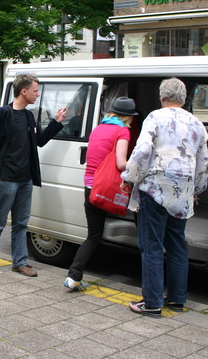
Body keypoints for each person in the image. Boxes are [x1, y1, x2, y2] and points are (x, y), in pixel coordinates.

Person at [121, 78, 208, 317]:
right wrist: (197, 190)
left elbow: (142, 152)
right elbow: (203, 163)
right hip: (183, 193)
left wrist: (129, 176)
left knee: (152, 246)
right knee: (177, 245)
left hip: (155, 189)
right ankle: (177, 299)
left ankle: (151, 303)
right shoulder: (197, 123)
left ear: (162, 97)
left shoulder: (155, 117)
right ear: (184, 98)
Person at [0, 73, 67, 277]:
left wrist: (57, 121)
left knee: (21, 223)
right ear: (23, 91)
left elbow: (39, 141)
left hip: (25, 179)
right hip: (7, 178)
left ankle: (20, 262)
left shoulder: (28, 115)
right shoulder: (2, 114)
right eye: (35, 90)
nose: (38, 94)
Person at [64, 97, 137, 291]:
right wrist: (139, 164)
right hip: (107, 187)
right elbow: (121, 164)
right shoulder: (122, 131)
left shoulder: (97, 128)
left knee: (93, 236)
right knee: (140, 216)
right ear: (128, 117)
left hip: (91, 187)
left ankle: (73, 276)